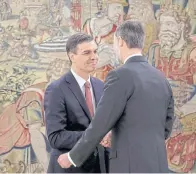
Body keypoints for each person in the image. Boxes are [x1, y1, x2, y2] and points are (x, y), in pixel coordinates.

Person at [57, 21, 175, 173]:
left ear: (120, 41)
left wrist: (73, 157)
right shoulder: (161, 78)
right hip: (158, 165)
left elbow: (100, 124)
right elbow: (166, 127)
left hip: (129, 166)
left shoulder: (119, 76)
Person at [44, 33, 109, 173]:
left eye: (95, 51)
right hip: (70, 169)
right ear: (72, 56)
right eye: (87, 53)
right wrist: (95, 137)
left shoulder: (101, 86)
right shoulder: (56, 89)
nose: (94, 57)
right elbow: (55, 137)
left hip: (99, 168)